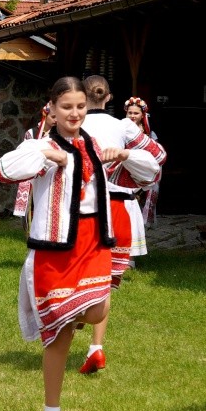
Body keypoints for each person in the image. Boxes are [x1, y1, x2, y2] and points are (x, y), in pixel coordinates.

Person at [0, 76, 135, 411]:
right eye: (67, 107)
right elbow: (1, 171)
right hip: (55, 249)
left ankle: (71, 311)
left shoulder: (94, 144)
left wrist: (124, 156)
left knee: (98, 310)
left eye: (80, 107)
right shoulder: (41, 144)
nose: (75, 113)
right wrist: (44, 156)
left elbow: (151, 167)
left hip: (94, 243)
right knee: (58, 339)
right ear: (52, 110)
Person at [75, 80, 165, 375]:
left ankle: (72, 322)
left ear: (82, 95)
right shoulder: (124, 126)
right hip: (120, 209)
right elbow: (158, 156)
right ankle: (96, 347)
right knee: (104, 282)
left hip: (85, 208)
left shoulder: (73, 122)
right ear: (110, 97)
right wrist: (127, 160)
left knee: (75, 275)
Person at [124, 97, 162, 226]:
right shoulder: (121, 129)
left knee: (142, 197)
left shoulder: (149, 133)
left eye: (136, 113)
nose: (132, 116)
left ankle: (142, 224)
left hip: (143, 168)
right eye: (130, 113)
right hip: (126, 167)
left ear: (142, 115)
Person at [12, 103, 52, 223]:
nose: (56, 120)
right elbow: (25, 154)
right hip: (32, 173)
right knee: (31, 206)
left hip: (48, 175)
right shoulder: (32, 133)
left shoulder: (57, 134)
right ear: (45, 116)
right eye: (53, 117)